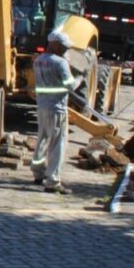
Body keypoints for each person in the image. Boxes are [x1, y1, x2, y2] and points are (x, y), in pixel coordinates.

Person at [29, 30, 81, 195]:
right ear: (56, 45)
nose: (66, 50)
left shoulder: (38, 60)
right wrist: (80, 77)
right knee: (58, 144)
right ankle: (52, 180)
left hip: (42, 106)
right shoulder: (60, 63)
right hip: (57, 108)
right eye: (64, 47)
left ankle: (38, 171)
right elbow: (70, 86)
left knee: (42, 139)